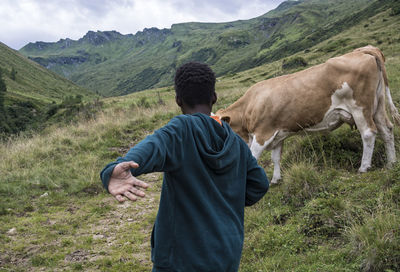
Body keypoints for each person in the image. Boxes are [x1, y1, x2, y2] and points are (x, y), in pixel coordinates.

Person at [100, 62, 269, 272]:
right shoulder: (234, 142)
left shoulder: (181, 129)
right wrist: (223, 204)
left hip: (180, 259)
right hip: (227, 253)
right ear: (214, 97)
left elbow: (154, 146)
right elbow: (259, 185)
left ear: (178, 100)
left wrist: (116, 169)